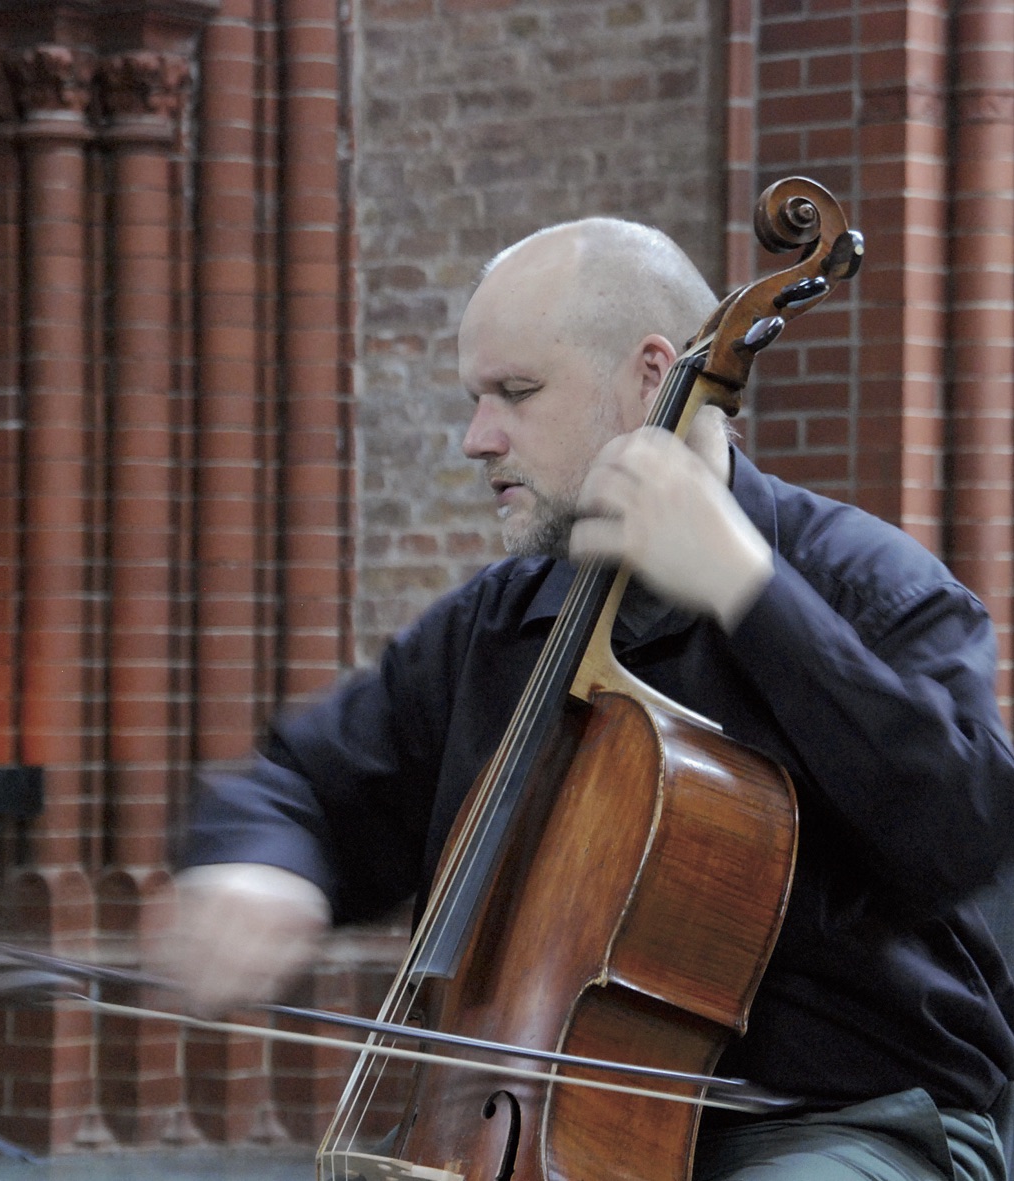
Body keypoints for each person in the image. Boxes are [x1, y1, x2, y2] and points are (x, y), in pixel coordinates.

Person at [161, 218, 1014, 1180]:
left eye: (515, 393)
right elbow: (302, 783)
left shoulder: (867, 585)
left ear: (652, 375)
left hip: (838, 1127)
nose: (477, 437)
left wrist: (751, 594)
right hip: (537, 1131)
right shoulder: (496, 626)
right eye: (476, 397)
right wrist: (258, 867)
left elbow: (961, 828)